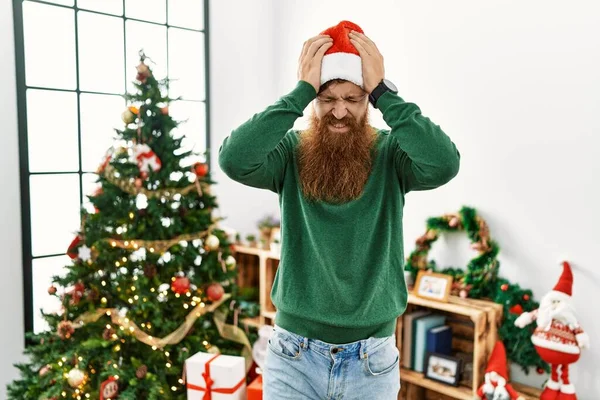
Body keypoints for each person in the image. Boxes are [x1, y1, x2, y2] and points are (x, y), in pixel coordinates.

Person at [218, 20, 460, 400]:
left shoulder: (392, 153)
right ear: (314, 99)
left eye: (354, 98)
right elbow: (234, 159)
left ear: (369, 100)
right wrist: (299, 91)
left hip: (371, 360)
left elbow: (444, 163)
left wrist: (385, 92)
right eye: (328, 98)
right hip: (292, 355)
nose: (340, 112)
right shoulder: (291, 151)